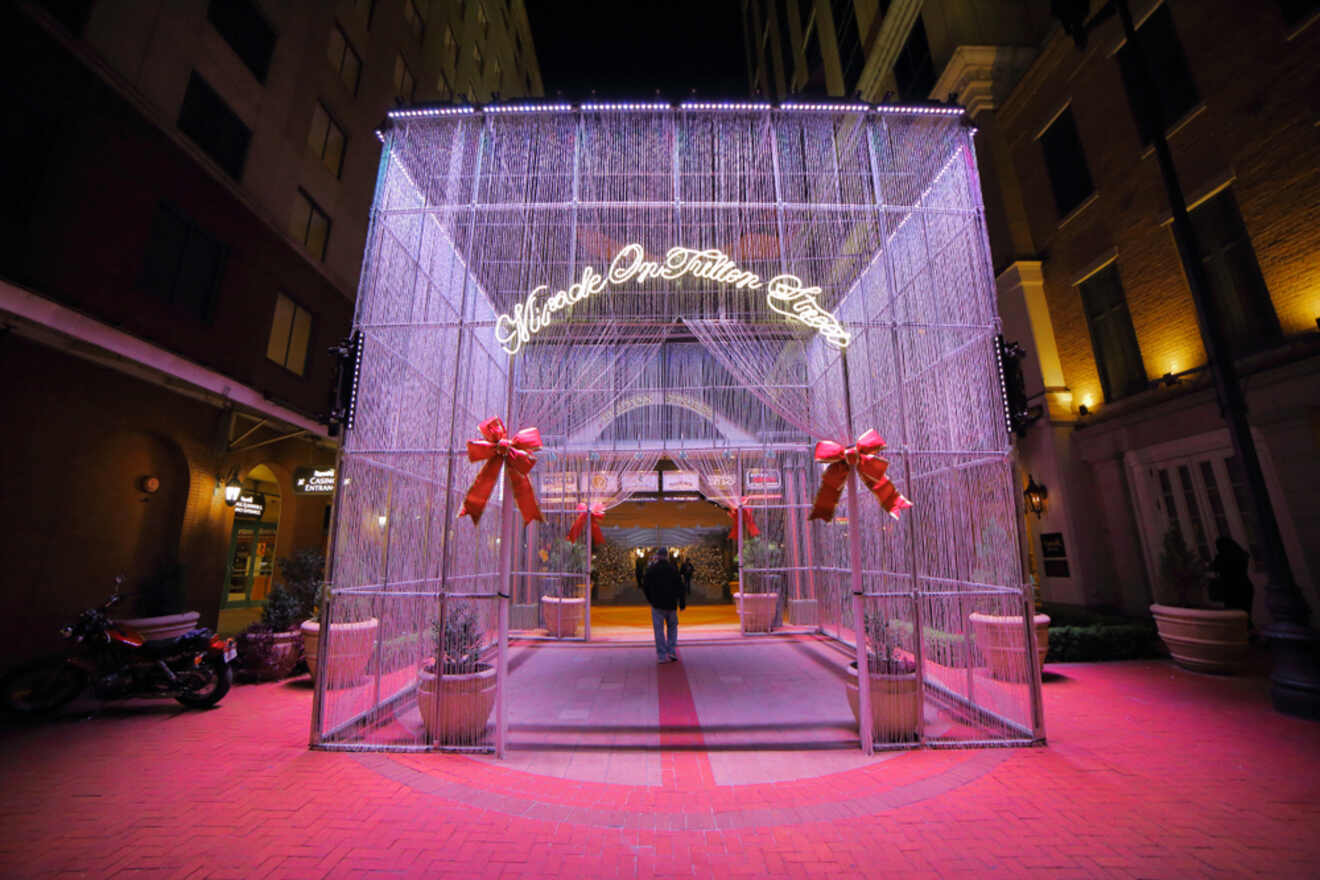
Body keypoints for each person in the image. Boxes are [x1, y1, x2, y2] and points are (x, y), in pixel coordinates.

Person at [642, 547, 685, 663]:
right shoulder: (673, 569)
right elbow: (680, 586)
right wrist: (681, 602)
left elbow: (645, 586)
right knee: (672, 628)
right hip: (671, 604)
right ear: (667, 556)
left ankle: (661, 655)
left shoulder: (652, 569)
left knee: (659, 630)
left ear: (657, 556)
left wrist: (650, 599)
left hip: (657, 604)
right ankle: (671, 651)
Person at [1209, 536, 1253, 628]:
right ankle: (1249, 634)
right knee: (1245, 614)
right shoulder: (1240, 555)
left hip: (1231, 589)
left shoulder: (1222, 557)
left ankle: (1243, 635)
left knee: (1235, 615)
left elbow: (1213, 568)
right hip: (1245, 587)